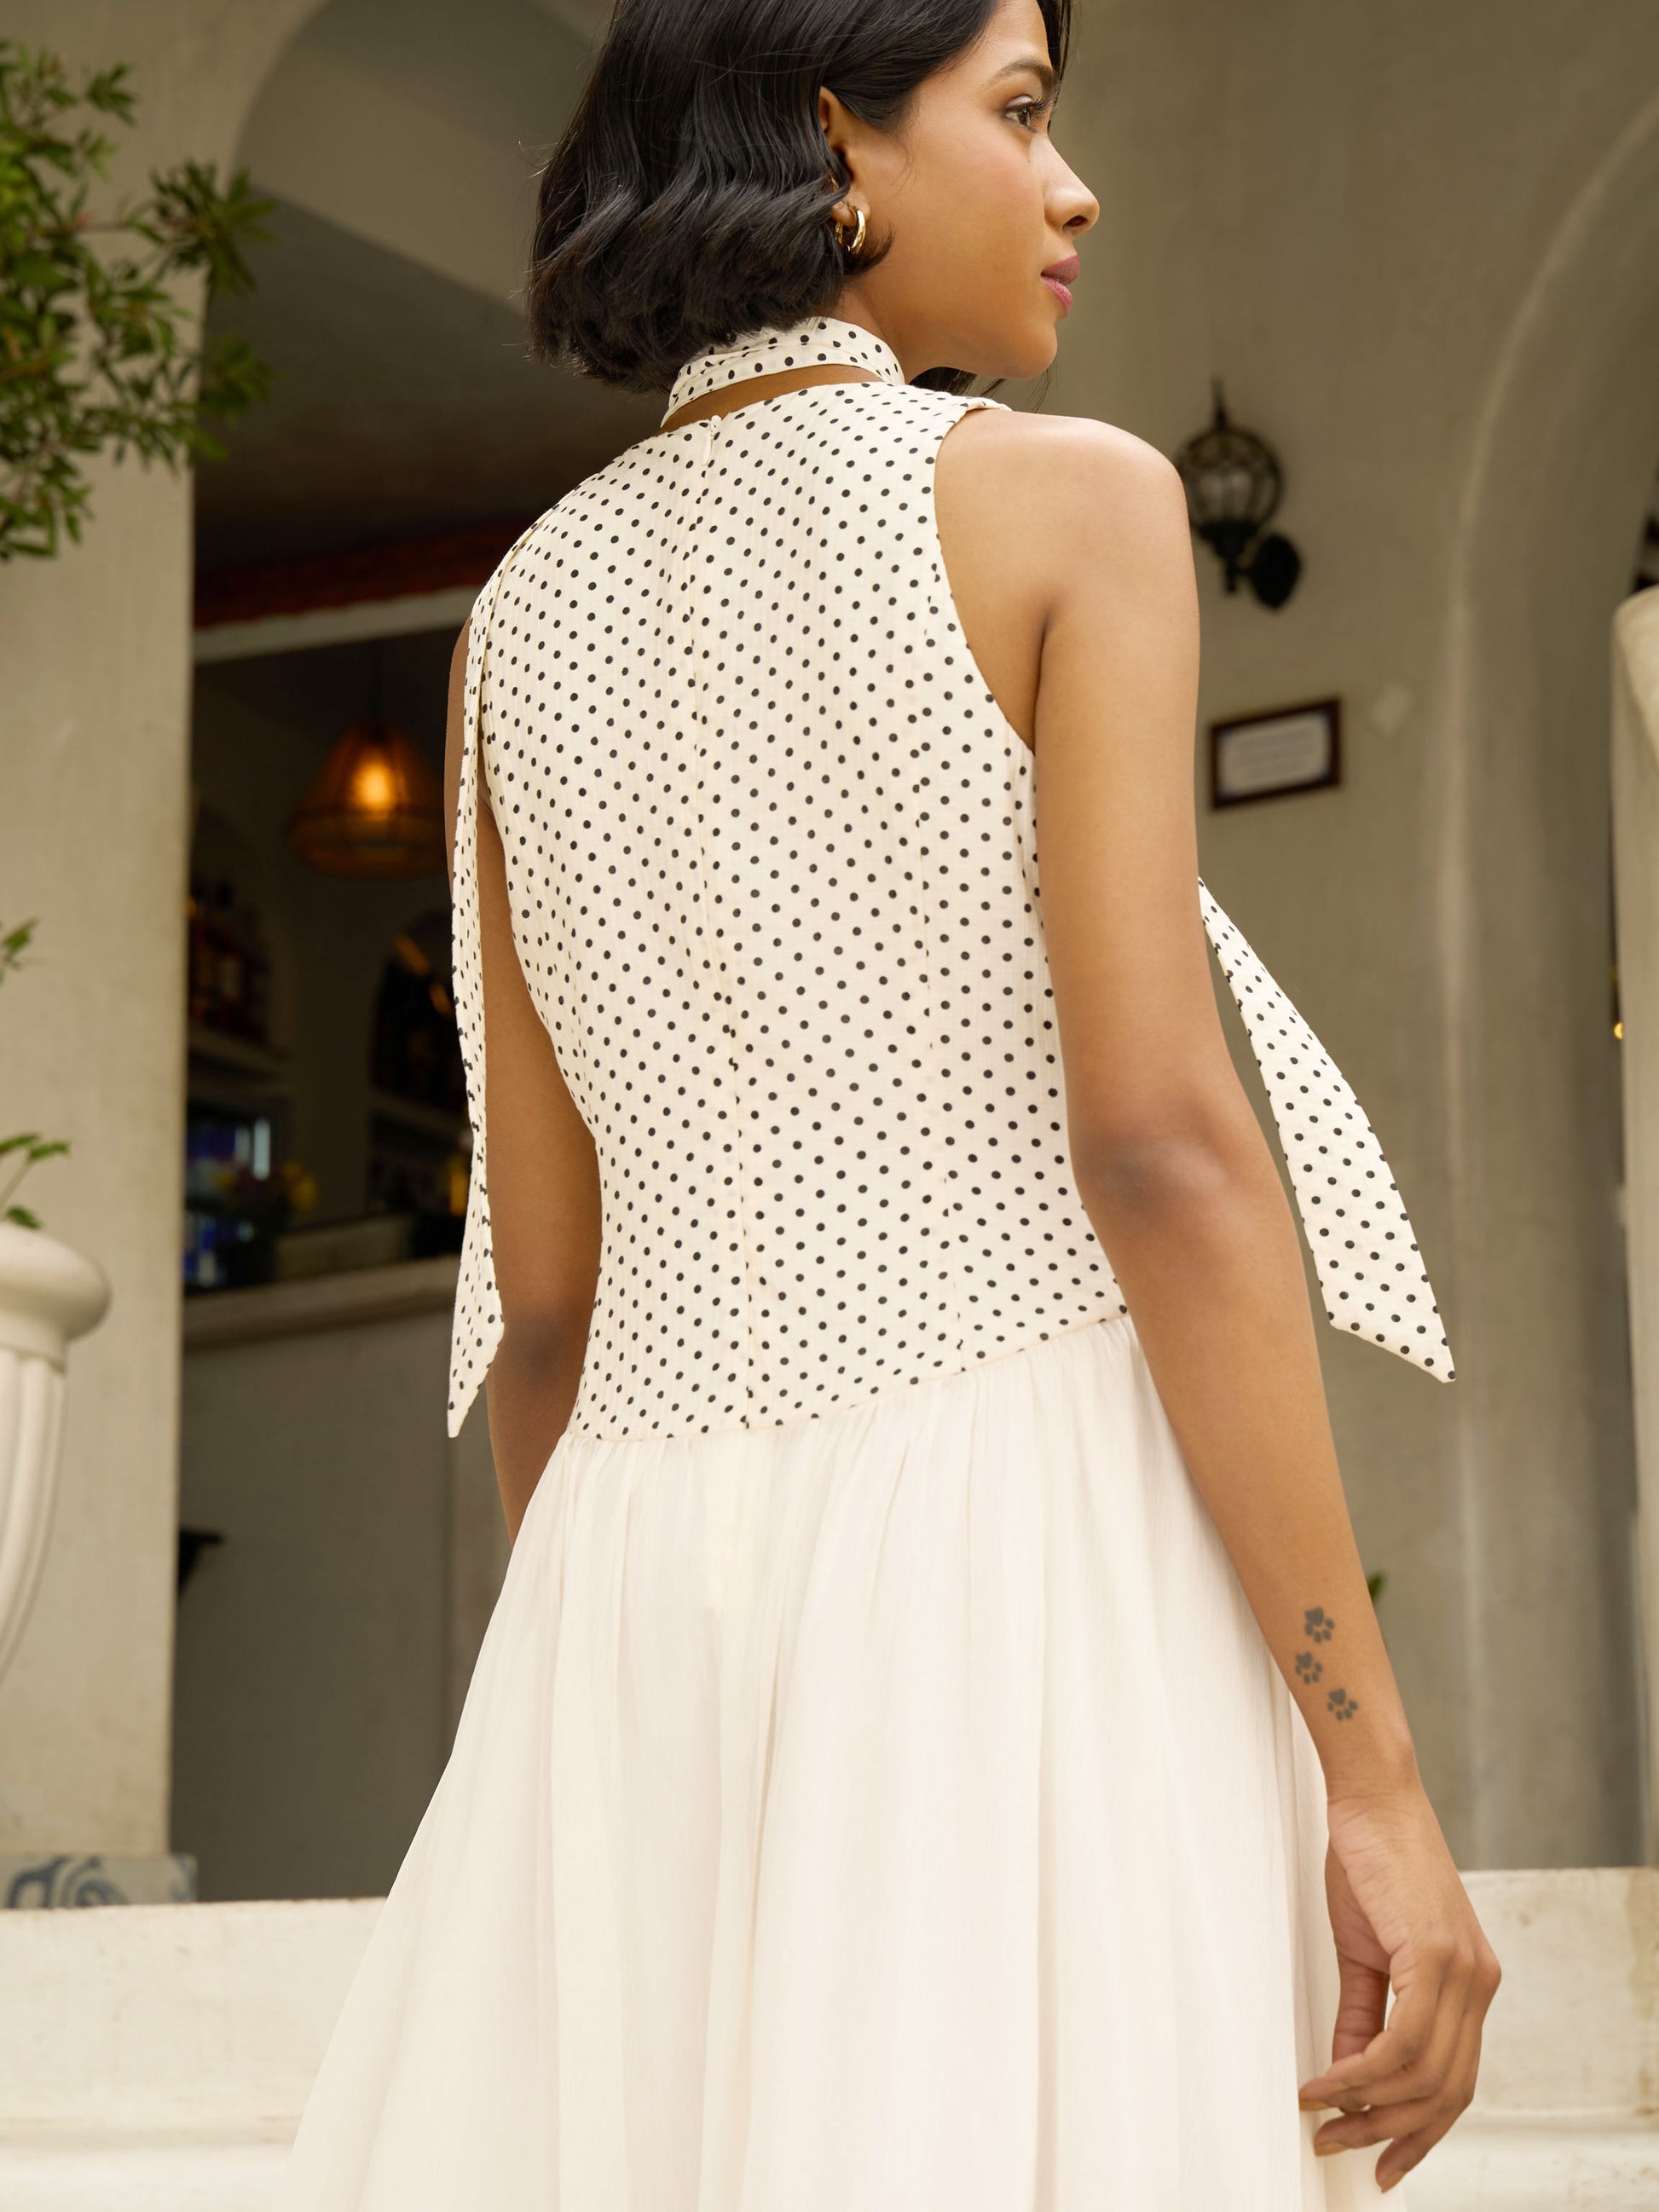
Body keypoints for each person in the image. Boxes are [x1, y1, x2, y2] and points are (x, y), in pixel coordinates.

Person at [275, 1, 1500, 2204]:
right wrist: (1378, 1775)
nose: (1072, 184)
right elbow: (1158, 1143)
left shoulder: (509, 626)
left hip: (622, 1583)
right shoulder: (1069, 508)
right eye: (1020, 114)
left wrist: (582, 1702)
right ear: (833, 142)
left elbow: (542, 1305)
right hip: (1013, 1546)